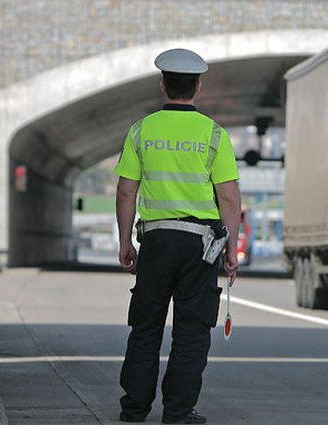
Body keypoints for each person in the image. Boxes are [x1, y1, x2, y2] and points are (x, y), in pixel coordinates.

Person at [114, 48, 241, 424]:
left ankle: (134, 410)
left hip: (154, 241)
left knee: (145, 328)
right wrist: (231, 250)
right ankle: (178, 412)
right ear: (198, 86)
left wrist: (126, 242)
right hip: (200, 247)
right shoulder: (214, 135)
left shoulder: (142, 130)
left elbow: (125, 191)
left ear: (162, 84)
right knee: (191, 332)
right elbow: (229, 197)